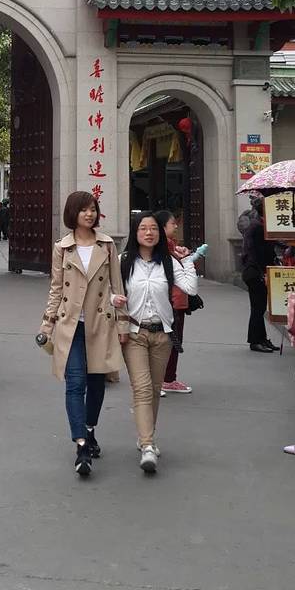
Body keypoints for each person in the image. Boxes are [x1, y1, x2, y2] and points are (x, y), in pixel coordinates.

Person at [36, 191, 128, 478]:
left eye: (93, 209)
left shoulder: (107, 245)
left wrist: (123, 325)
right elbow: (56, 289)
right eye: (84, 209)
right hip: (71, 324)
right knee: (75, 384)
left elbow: (117, 286)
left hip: (101, 324)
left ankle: (89, 429)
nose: (89, 214)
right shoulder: (62, 248)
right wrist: (47, 325)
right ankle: (81, 445)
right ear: (72, 213)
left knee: (97, 382)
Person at [119, 212, 198, 473]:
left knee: (153, 390)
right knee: (142, 388)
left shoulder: (168, 261)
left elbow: (190, 288)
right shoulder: (123, 261)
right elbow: (108, 290)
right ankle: (148, 445)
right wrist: (113, 299)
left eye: (153, 228)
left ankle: (146, 436)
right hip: (134, 333)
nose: (149, 232)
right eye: (143, 228)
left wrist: (186, 261)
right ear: (135, 232)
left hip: (162, 334)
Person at [155, 209, 192, 394]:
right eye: (172, 223)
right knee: (170, 342)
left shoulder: (172, 247)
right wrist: (186, 260)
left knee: (169, 341)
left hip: (175, 299)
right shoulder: (164, 249)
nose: (176, 226)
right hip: (172, 301)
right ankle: (165, 379)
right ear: (163, 227)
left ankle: (164, 378)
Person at [240, 199, 278, 353]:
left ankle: (262, 339)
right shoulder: (257, 227)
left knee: (260, 308)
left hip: (256, 271)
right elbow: (257, 253)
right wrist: (264, 272)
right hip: (255, 273)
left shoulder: (261, 225)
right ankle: (255, 341)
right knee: (258, 308)